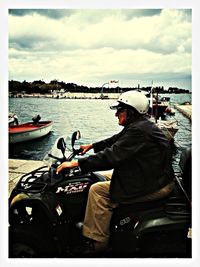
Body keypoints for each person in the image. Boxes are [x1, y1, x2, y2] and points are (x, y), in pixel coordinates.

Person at [56, 90, 174, 254]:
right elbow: (116, 140)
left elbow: (111, 156)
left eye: (120, 110)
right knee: (94, 177)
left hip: (153, 184)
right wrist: (92, 146)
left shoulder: (138, 130)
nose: (116, 114)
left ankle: (97, 242)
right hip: (150, 175)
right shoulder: (140, 125)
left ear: (131, 111)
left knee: (97, 191)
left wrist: (76, 163)